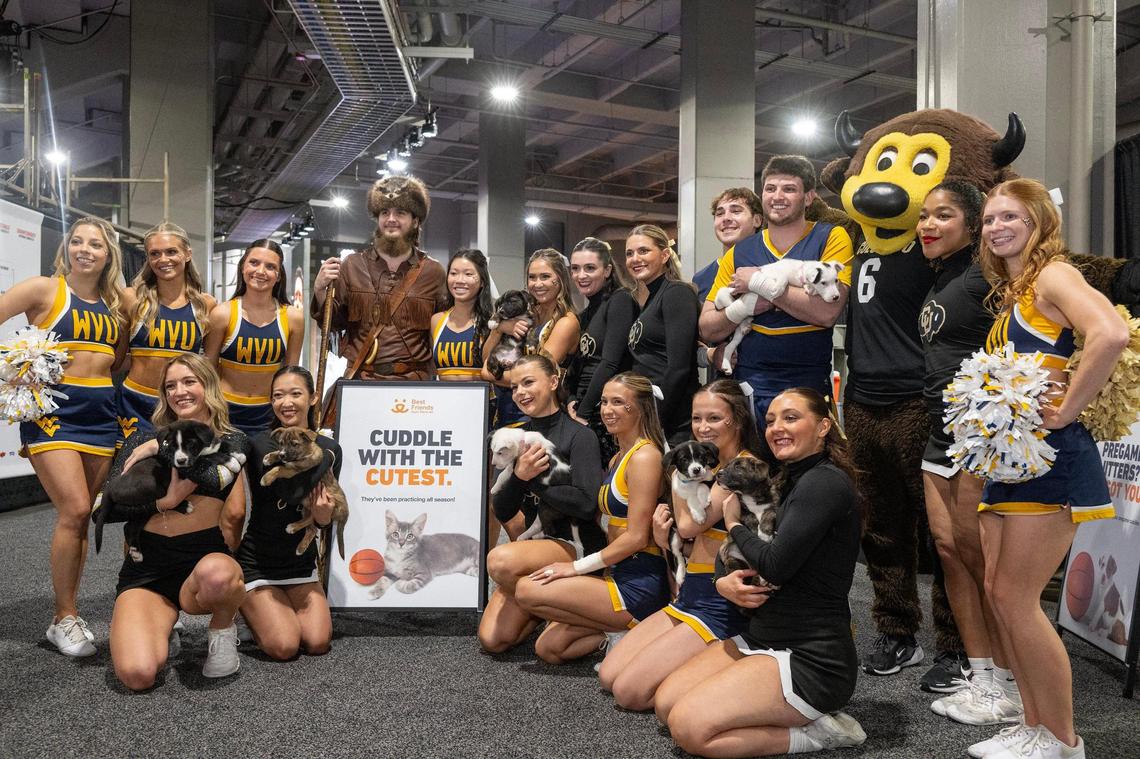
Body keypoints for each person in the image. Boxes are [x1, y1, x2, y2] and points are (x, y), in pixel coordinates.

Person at [968, 179, 1126, 759]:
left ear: (1039, 223)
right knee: (996, 591)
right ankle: (1034, 726)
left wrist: (1067, 412)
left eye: (1011, 217)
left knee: (1015, 597)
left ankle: (1063, 740)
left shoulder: (1055, 274)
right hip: (1011, 458)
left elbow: (1110, 332)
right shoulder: (1014, 289)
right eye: (988, 219)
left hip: (1051, 459)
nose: (996, 228)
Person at [655, 388, 866, 757]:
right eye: (770, 421)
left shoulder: (824, 483)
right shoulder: (783, 478)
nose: (777, 428)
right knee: (664, 704)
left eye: (791, 418)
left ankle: (823, 734)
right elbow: (734, 555)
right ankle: (777, 708)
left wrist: (734, 525)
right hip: (762, 635)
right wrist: (723, 581)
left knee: (689, 729)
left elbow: (774, 566)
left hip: (811, 656)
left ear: (823, 426)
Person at [916, 182, 1022, 712]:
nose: (928, 225)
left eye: (944, 215)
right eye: (923, 216)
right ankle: (981, 675)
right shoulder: (945, 277)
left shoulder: (988, 273)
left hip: (980, 438)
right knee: (951, 556)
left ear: (973, 222)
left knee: (985, 564)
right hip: (940, 433)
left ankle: (1009, 681)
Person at [0, 216, 125, 657]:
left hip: (101, 418)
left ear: (108, 254)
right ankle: (64, 617)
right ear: (67, 248)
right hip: (54, 418)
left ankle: (67, 614)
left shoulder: (115, 303)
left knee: (79, 520)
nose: (85, 249)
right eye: (77, 242)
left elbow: (118, 359)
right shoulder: (44, 290)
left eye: (95, 244)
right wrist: (13, 366)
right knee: (73, 508)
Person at [599, 379, 761, 711]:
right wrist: (666, 540)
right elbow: (689, 540)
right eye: (697, 418)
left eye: (714, 418)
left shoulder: (743, 466)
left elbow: (688, 524)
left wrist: (675, 475)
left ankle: (741, 656)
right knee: (610, 676)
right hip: (691, 593)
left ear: (738, 418)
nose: (703, 428)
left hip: (722, 602)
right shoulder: (707, 465)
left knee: (631, 693)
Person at [104, 354, 250, 689]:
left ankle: (223, 629)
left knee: (219, 574)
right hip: (147, 570)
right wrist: (162, 503)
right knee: (136, 675)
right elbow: (105, 509)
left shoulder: (232, 441)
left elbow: (213, 478)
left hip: (201, 564)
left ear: (207, 387)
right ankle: (161, 625)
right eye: (171, 385)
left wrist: (162, 445)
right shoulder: (138, 440)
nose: (179, 391)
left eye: (189, 382)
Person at [514, 372, 669, 664]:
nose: (607, 410)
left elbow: (637, 537)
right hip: (615, 572)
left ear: (640, 408)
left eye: (618, 402)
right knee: (549, 648)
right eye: (604, 401)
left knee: (527, 589)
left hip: (639, 580)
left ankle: (639, 626)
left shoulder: (645, 456)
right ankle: (619, 632)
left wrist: (575, 567)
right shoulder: (617, 457)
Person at [698, 156, 853, 432]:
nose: (777, 197)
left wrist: (760, 285)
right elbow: (708, 327)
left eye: (789, 189)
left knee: (810, 472)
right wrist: (742, 308)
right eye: (770, 189)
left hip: (808, 384)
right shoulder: (741, 251)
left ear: (809, 197)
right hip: (751, 386)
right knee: (754, 472)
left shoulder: (831, 237)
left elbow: (828, 311)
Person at [476, 354, 606, 654]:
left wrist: (532, 481)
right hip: (539, 542)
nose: (520, 392)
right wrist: (519, 478)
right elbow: (504, 510)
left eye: (528, 382)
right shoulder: (514, 435)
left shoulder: (580, 435)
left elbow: (587, 505)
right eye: (514, 387)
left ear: (553, 381)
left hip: (576, 544)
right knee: (493, 640)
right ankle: (545, 603)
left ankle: (584, 611)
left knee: (500, 561)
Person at [236, 365, 341, 660]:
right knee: (285, 647)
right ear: (271, 402)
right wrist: (323, 460)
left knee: (318, 642)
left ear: (312, 398)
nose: (286, 402)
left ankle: (271, 613)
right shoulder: (260, 445)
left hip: (299, 564)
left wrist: (321, 517)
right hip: (258, 562)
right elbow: (290, 492)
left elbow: (324, 517)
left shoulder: (331, 447)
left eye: (296, 394)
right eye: (278, 396)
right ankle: (242, 609)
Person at [311, 175, 447, 399]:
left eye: (400, 213)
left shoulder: (434, 272)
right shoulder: (352, 265)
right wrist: (319, 290)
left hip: (415, 386)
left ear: (415, 221)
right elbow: (333, 324)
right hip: (362, 382)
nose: (391, 219)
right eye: (385, 212)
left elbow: (446, 330)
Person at [118, 221, 215, 444]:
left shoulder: (205, 305)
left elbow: (209, 368)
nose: (163, 260)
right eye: (155, 254)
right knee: (129, 473)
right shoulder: (132, 299)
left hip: (181, 405)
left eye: (171, 251)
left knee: (175, 474)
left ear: (188, 253)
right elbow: (117, 358)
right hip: (134, 403)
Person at [204, 239, 303, 436]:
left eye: (270, 266)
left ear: (278, 275)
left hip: (270, 414)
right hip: (225, 412)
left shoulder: (293, 317)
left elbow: (291, 375)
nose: (260, 271)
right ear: (243, 267)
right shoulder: (222, 313)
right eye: (254, 262)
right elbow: (208, 370)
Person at [482, 248, 580, 429]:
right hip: (506, 410)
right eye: (532, 277)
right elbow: (486, 359)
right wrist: (500, 329)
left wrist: (491, 375)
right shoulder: (526, 314)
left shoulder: (566, 321)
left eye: (545, 276)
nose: (537, 284)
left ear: (559, 279)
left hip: (541, 418)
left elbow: (539, 374)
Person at [625, 224, 700, 445]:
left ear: (665, 254)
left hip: (674, 420)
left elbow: (679, 368)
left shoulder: (676, 293)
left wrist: (655, 419)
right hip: (650, 412)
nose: (635, 259)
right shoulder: (650, 300)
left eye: (643, 251)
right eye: (629, 253)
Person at [565, 237, 637, 458]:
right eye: (575, 269)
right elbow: (577, 366)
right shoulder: (585, 313)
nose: (581, 275)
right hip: (583, 409)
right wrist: (571, 400)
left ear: (607, 271)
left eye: (590, 268)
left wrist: (584, 412)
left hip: (604, 413)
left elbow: (611, 362)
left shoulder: (620, 300)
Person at [430, 249, 492, 381]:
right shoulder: (436, 320)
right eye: (453, 273)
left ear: (482, 281)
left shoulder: (492, 323)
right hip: (443, 399)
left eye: (468, 274)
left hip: (482, 400)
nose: (459, 280)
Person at [693, 188, 764, 302]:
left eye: (736, 211)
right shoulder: (701, 278)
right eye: (720, 214)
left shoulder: (771, 265)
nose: (726, 218)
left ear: (757, 220)